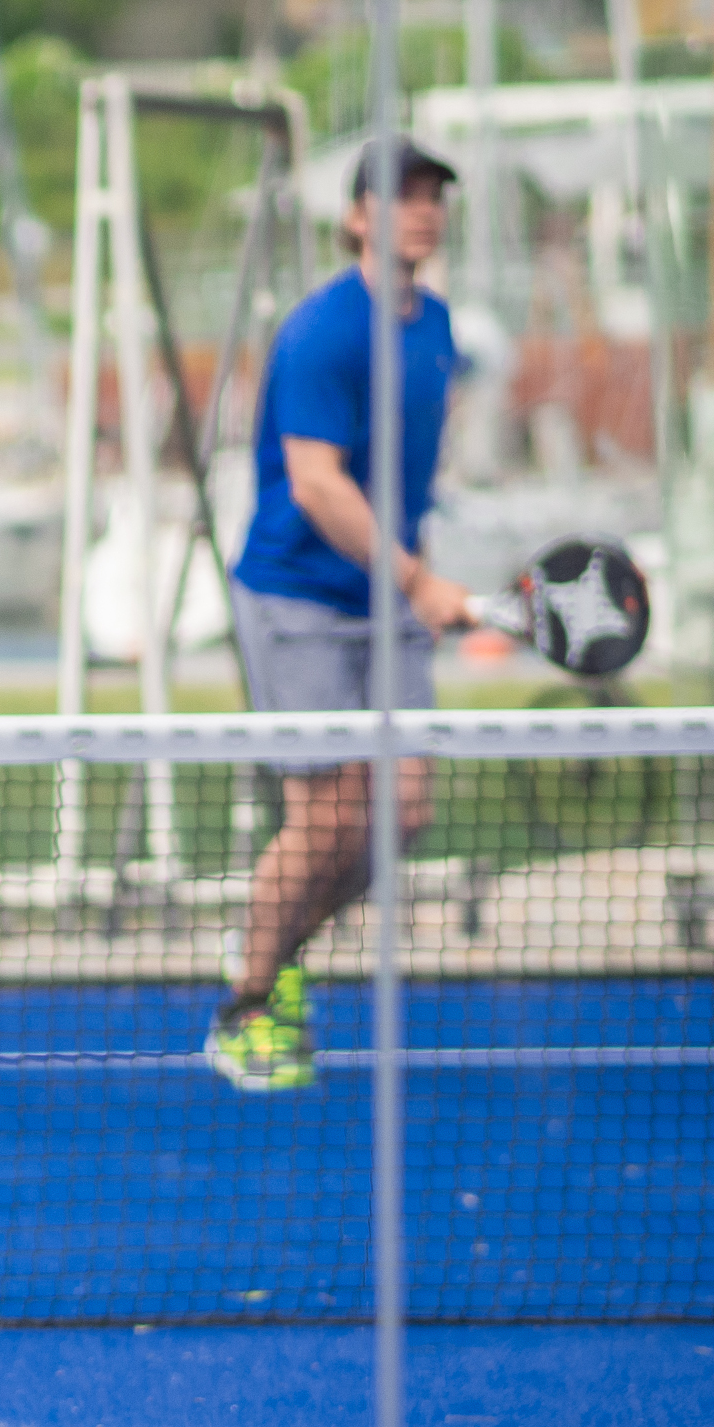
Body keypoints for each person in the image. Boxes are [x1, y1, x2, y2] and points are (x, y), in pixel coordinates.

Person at [207, 140, 473, 1092]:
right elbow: (318, 485)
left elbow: (402, 477)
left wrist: (420, 578)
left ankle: (276, 951)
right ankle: (247, 1002)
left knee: (401, 813)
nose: (422, 210)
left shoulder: (435, 325)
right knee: (324, 821)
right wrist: (415, 581)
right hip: (299, 600)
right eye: (400, 196)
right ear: (357, 216)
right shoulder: (324, 331)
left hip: (389, 597)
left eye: (433, 196)